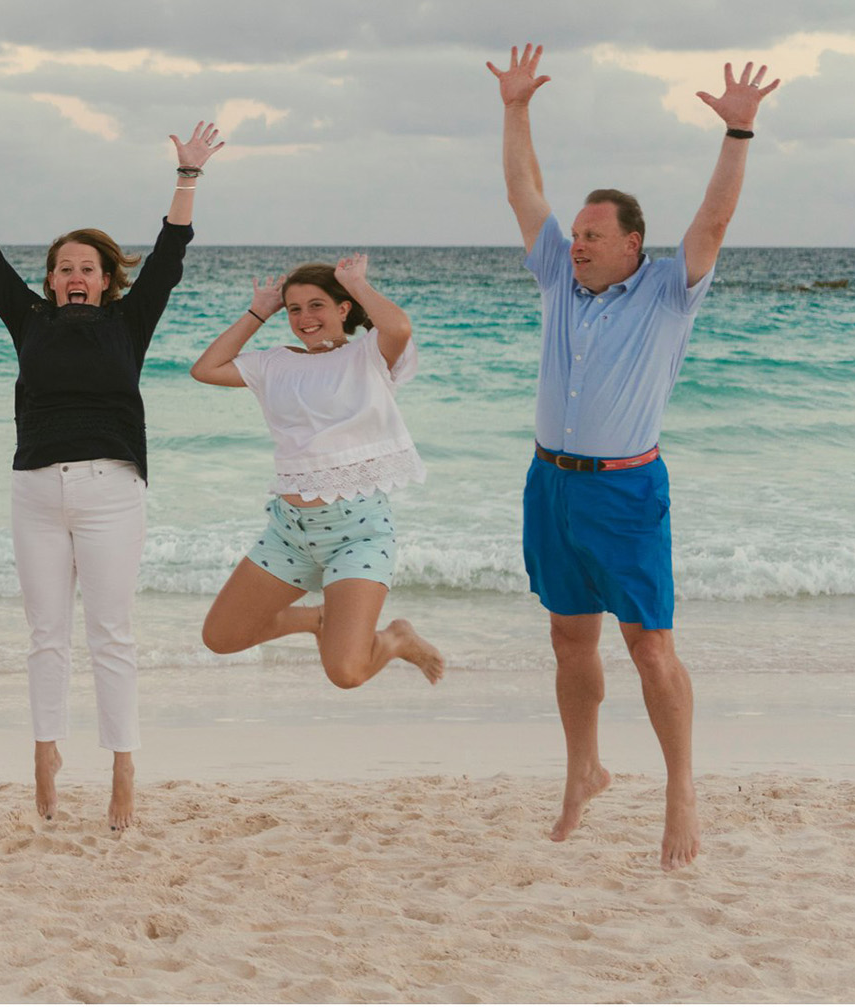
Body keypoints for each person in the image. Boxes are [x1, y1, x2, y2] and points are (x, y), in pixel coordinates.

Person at [490, 44, 778, 872]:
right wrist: (516, 108)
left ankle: (681, 785)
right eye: (574, 233)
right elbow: (522, 191)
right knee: (568, 638)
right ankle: (585, 765)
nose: (574, 243)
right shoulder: (556, 280)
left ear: (631, 243)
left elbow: (715, 223)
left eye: (591, 234)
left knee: (650, 646)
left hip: (625, 491)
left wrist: (737, 133)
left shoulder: (667, 291)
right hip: (550, 484)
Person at [0, 117, 222, 830]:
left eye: (88, 267)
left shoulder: (129, 321)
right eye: (64, 267)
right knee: (46, 633)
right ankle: (45, 752)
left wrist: (187, 176)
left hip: (112, 491)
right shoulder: (28, 319)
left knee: (111, 633)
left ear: (106, 279)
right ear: (52, 281)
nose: (76, 276)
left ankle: (122, 767)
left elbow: (171, 256)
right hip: (35, 490)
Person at [189, 256, 446, 689]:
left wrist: (356, 283)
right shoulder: (272, 364)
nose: (305, 318)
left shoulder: (369, 354)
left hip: (358, 532)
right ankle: (317, 619)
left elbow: (399, 328)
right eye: (294, 309)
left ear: (343, 308)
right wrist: (259, 311)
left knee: (346, 673)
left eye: (317, 305)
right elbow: (206, 369)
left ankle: (397, 638)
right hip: (289, 532)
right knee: (221, 636)